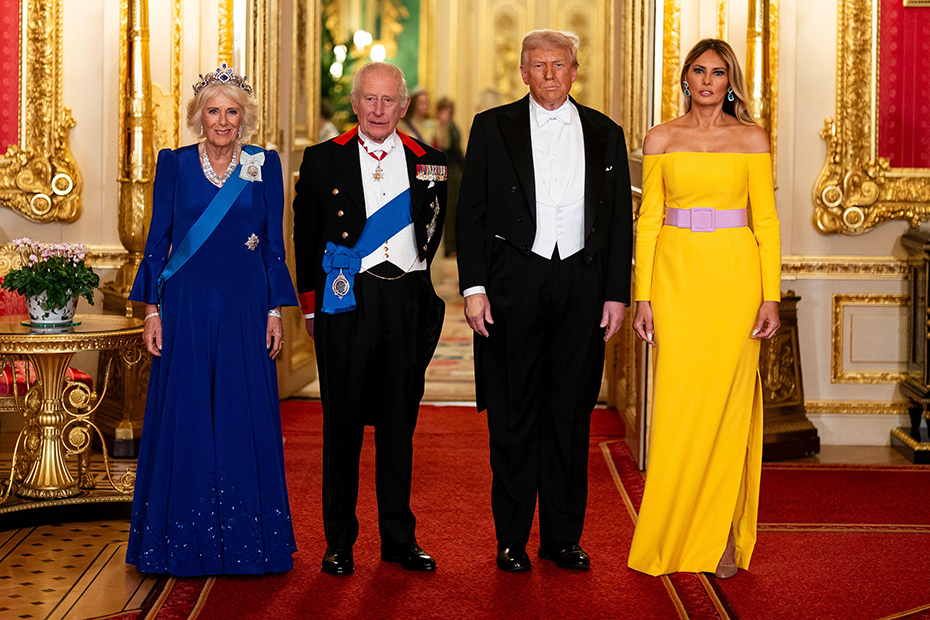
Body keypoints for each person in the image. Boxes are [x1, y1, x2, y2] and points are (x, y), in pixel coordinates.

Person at [456, 30, 634, 572]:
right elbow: (472, 213)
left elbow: (620, 220)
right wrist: (474, 287)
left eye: (560, 64)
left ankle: (561, 538)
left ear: (576, 70)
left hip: (581, 285)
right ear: (524, 72)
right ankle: (511, 539)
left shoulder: (606, 132)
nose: (551, 74)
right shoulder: (491, 128)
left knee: (570, 415)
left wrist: (616, 294)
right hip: (513, 283)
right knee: (512, 416)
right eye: (539, 65)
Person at [126, 63, 298, 576]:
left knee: (242, 413)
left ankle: (249, 544)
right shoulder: (175, 164)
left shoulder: (262, 163)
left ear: (245, 119)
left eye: (232, 113)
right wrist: (152, 310)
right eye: (213, 111)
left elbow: (273, 246)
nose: (223, 121)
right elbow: (157, 244)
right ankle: (180, 544)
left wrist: (274, 310)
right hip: (188, 307)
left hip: (246, 307)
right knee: (188, 416)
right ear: (198, 117)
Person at [627, 38, 781, 579]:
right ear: (686, 78)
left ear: (730, 80)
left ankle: (719, 539)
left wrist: (771, 294)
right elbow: (647, 222)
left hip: (736, 281)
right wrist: (642, 295)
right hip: (676, 279)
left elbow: (766, 222)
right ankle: (670, 534)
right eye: (699, 71)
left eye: (719, 72)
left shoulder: (752, 138)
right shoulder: (661, 137)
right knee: (677, 411)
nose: (709, 80)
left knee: (729, 409)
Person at [293, 61, 447, 576]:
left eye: (390, 101)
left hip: (405, 301)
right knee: (341, 428)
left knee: (399, 426)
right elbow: (307, 237)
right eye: (370, 100)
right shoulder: (321, 160)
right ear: (355, 104)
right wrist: (312, 304)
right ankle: (339, 541)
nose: (379, 110)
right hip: (346, 300)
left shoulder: (432, 162)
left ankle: (399, 539)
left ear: (403, 106)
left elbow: (433, 231)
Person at [434, 97, 464, 255]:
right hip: (447, 170)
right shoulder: (437, 127)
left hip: (454, 171)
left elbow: (456, 150)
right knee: (446, 209)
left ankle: (452, 245)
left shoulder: (452, 126)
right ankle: (447, 246)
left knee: (453, 209)